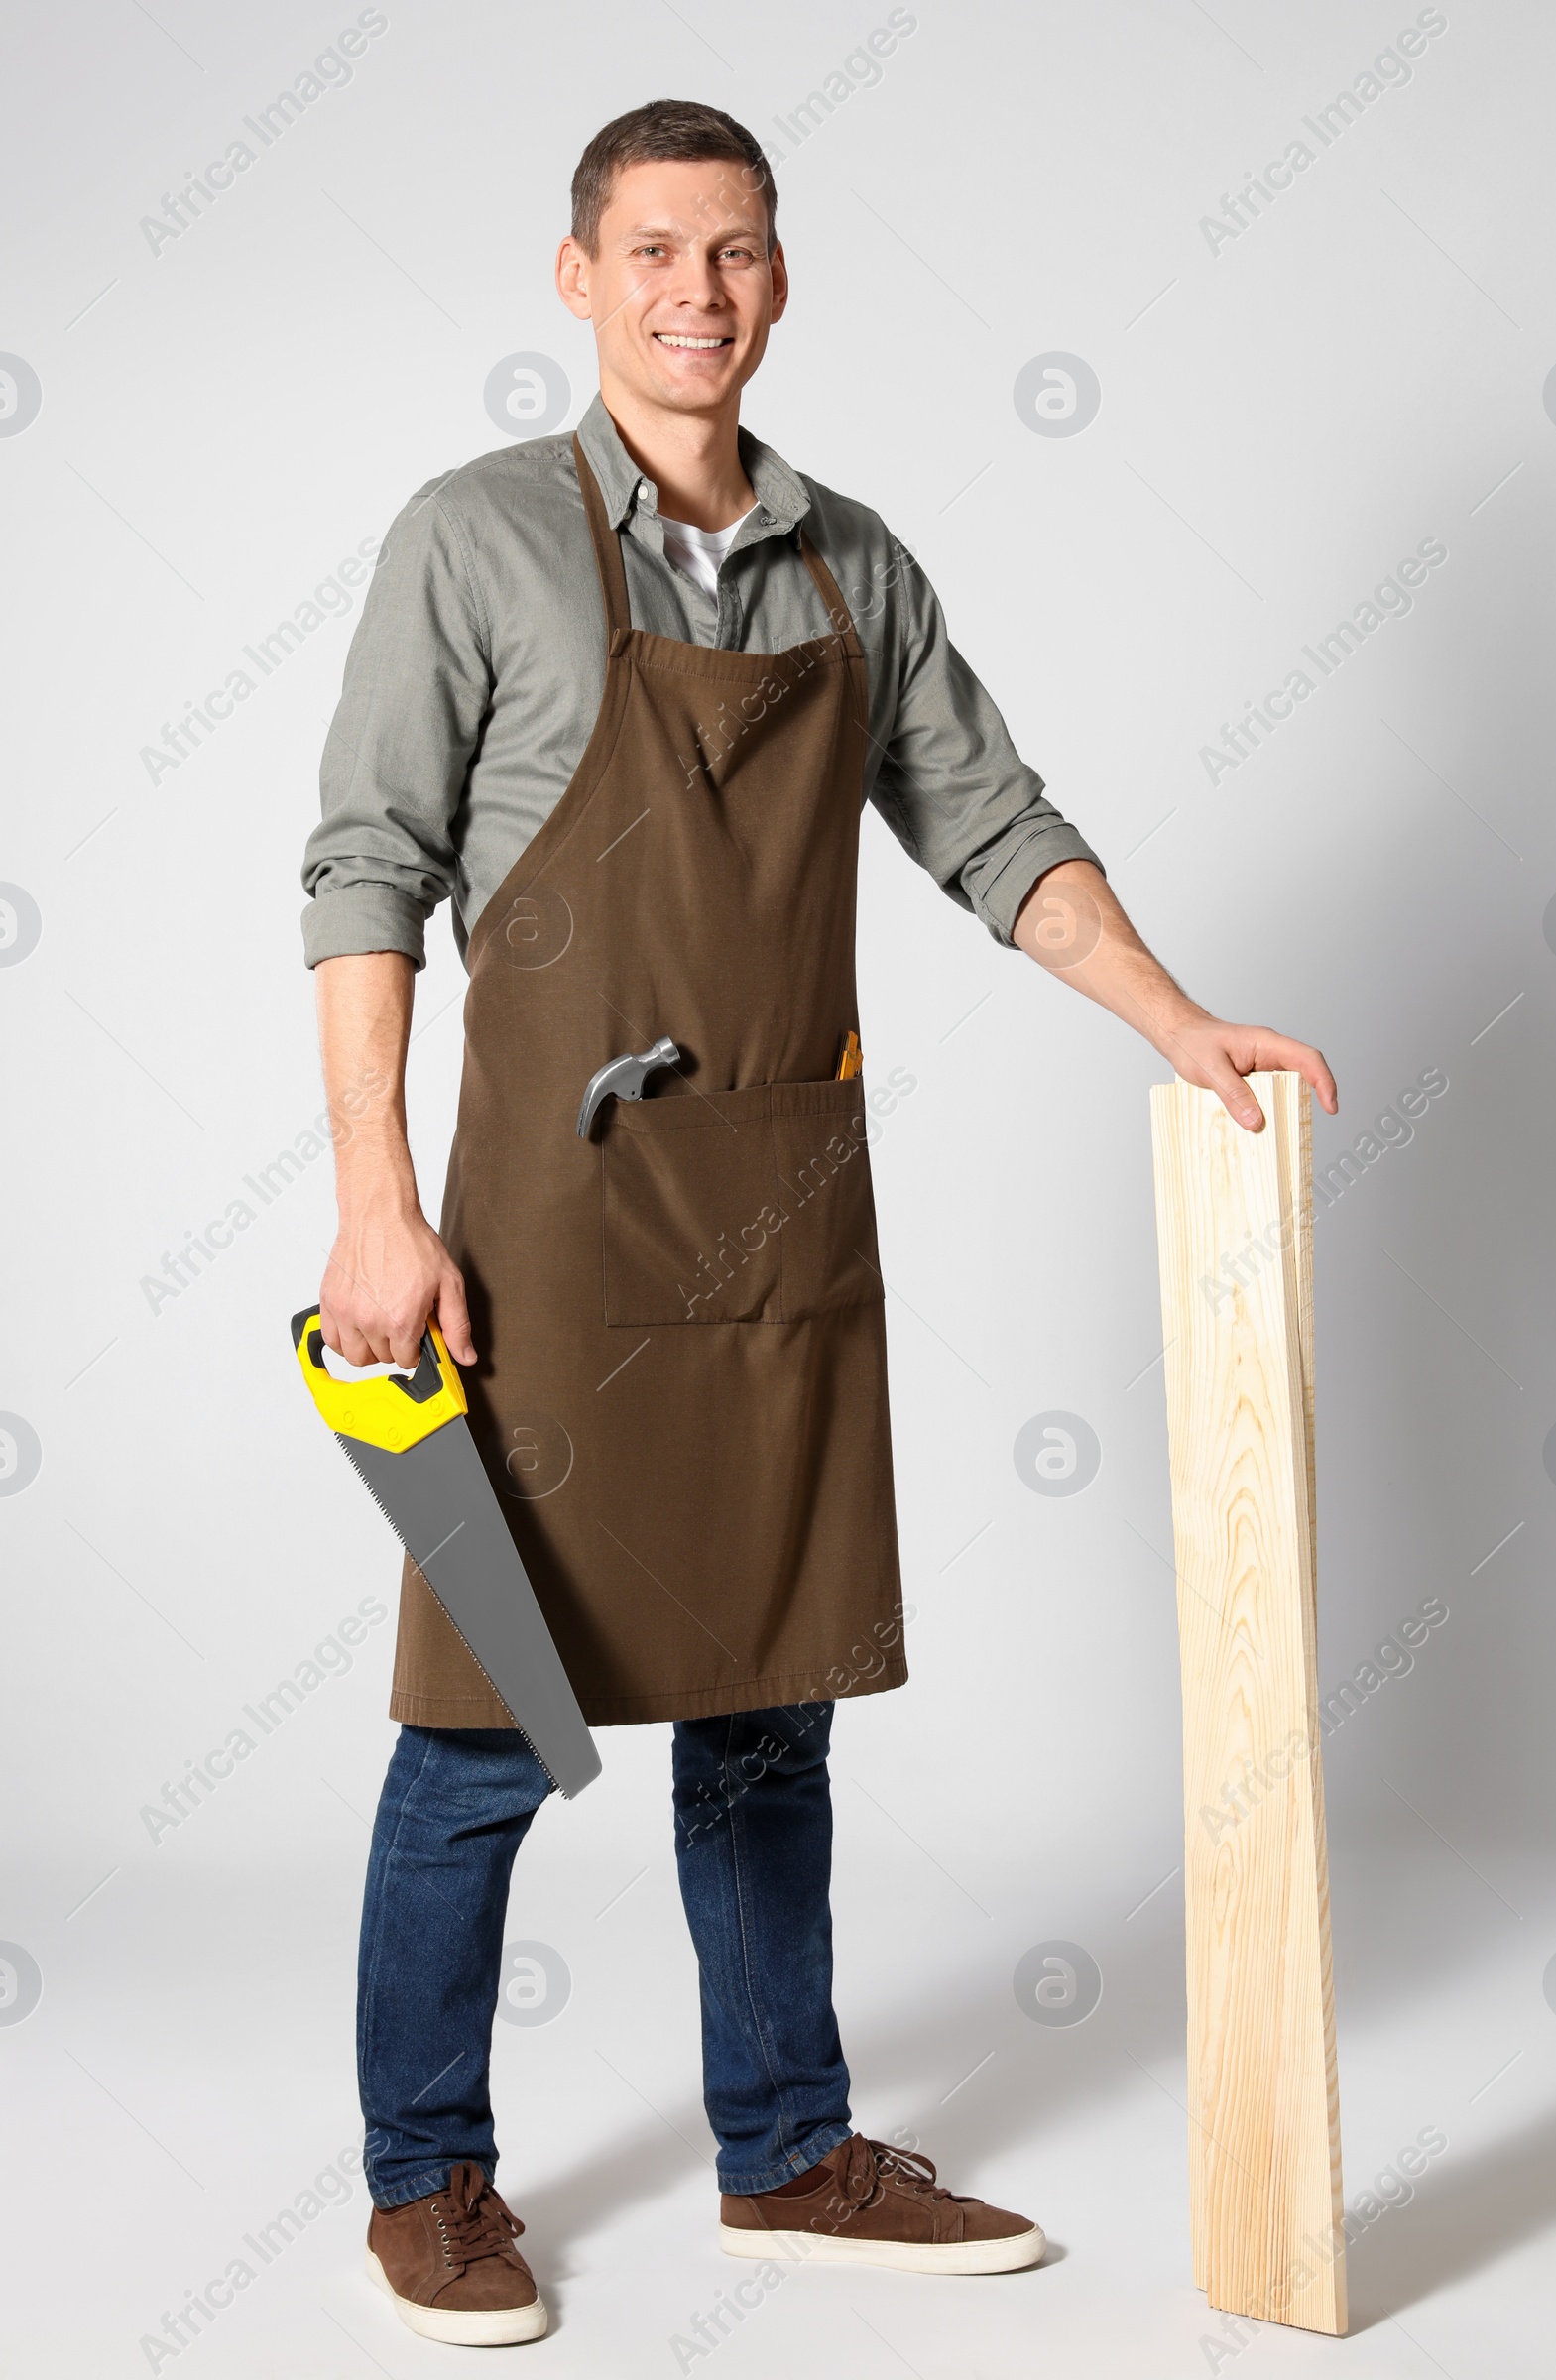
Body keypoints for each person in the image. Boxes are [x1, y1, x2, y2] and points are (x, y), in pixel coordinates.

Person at [300, 98, 1338, 2348]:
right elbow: (362, 874)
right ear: (574, 278)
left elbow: (994, 829)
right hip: (540, 1246)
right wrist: (377, 1204)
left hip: (776, 1224)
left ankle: (782, 2151)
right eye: (654, 249)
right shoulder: (467, 540)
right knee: (481, 1726)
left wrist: (1178, 1023)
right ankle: (426, 2182)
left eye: (737, 251)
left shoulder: (853, 565)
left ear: (778, 283)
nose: (697, 289)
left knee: (771, 1712)